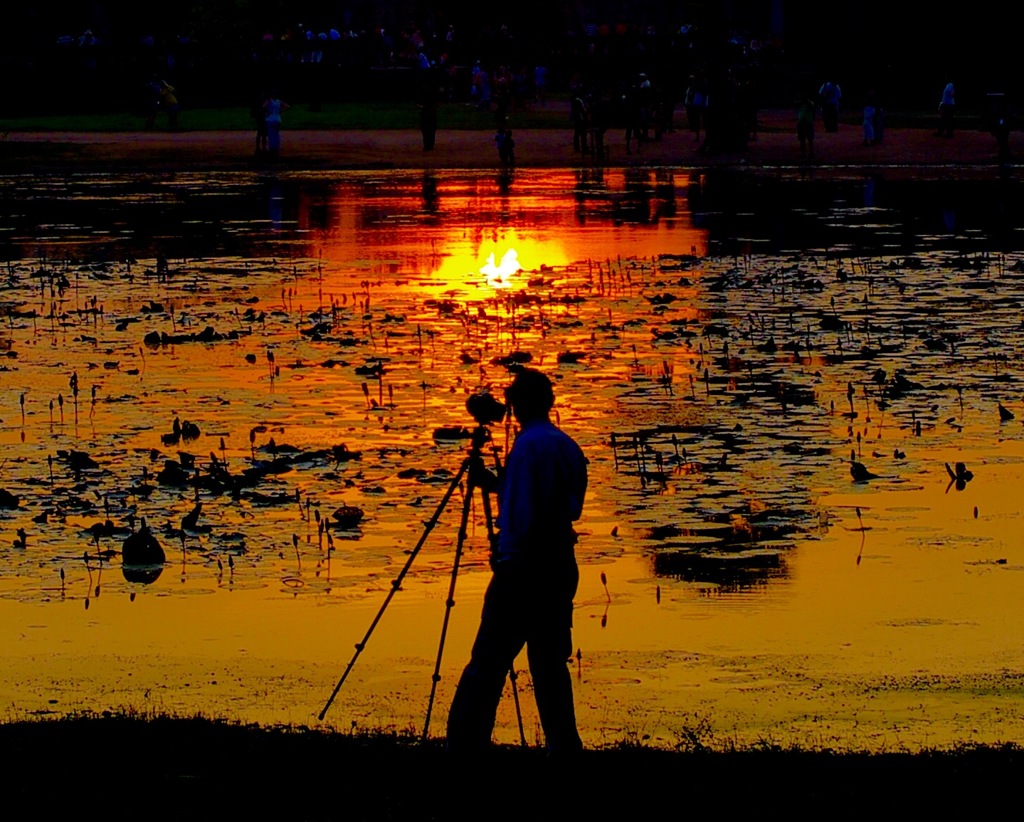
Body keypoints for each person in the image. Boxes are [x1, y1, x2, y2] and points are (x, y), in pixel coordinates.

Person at [446, 368, 588, 754]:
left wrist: (507, 555)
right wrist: (494, 483)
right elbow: (562, 503)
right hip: (560, 562)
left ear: (517, 405)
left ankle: (464, 742)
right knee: (549, 663)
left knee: (488, 660)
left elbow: (524, 511)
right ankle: (564, 744)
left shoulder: (526, 448)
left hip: (525, 567)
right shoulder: (566, 445)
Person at [263, 92, 289, 157]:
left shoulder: (269, 100)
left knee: (271, 135)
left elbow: (264, 106)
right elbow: (287, 106)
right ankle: (276, 148)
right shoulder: (278, 101)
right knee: (276, 134)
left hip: (270, 119)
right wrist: (279, 111)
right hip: (277, 118)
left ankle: (272, 149)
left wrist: (268, 111)